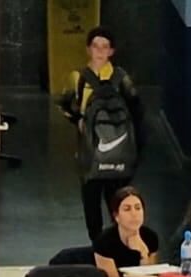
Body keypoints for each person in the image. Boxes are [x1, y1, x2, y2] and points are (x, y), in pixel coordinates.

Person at [61, 27, 144, 242]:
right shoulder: (77, 77)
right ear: (88, 49)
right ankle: (98, 245)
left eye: (105, 46)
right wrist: (78, 120)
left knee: (118, 201)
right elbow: (64, 104)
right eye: (96, 46)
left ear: (112, 51)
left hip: (118, 151)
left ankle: (120, 243)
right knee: (91, 202)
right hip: (89, 150)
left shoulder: (121, 78)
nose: (100, 51)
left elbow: (136, 109)